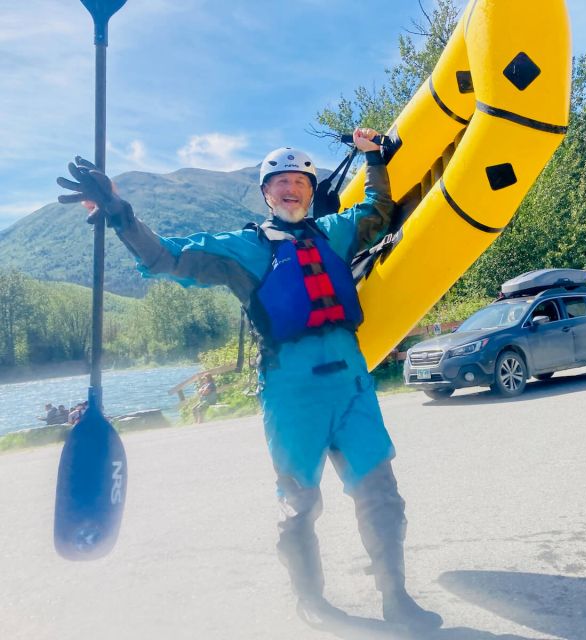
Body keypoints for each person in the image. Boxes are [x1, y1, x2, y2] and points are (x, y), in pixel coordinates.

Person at [57, 128, 442, 632]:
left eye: (300, 181)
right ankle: (311, 600)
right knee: (300, 503)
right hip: (291, 390)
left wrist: (373, 158)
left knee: (381, 494)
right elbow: (164, 257)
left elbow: (377, 209)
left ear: (310, 188)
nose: (291, 188)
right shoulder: (243, 249)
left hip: (350, 384)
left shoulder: (336, 232)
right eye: (279, 182)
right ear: (266, 193)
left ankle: (396, 597)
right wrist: (119, 212)